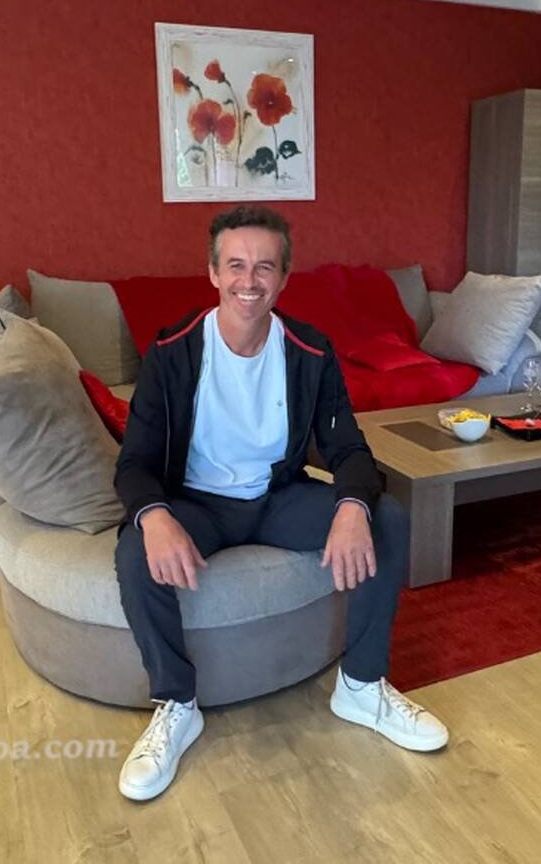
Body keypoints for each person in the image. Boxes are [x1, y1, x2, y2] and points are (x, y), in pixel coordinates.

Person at [113, 205, 448, 802]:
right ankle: (177, 704)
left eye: (264, 266)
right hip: (196, 503)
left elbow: (349, 448)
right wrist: (155, 516)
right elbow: (134, 462)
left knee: (386, 518)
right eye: (236, 265)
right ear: (213, 273)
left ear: (284, 277)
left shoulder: (309, 351)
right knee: (137, 550)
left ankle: (361, 687)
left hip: (276, 499)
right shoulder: (172, 351)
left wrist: (352, 506)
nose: (250, 280)